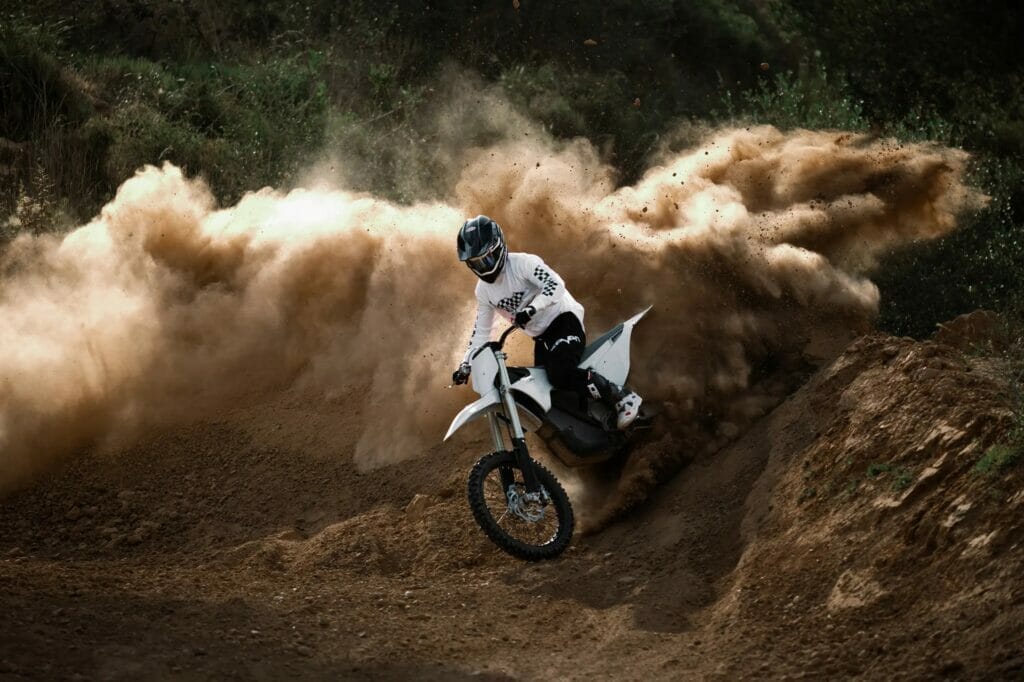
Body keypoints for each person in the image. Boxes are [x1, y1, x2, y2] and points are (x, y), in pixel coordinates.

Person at [451, 215, 642, 430]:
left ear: (498, 247)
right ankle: (591, 429)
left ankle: (621, 396)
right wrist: (466, 365)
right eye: (476, 263)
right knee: (543, 393)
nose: (483, 267)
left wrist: (532, 309)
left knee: (560, 374)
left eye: (486, 259)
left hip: (564, 321)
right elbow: (481, 332)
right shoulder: (483, 291)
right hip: (542, 338)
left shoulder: (522, 263)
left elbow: (555, 285)